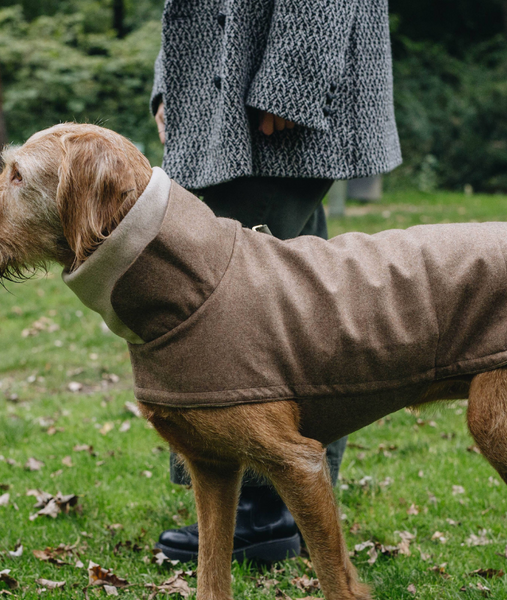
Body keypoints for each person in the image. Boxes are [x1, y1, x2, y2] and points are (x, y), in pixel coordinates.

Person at [150, 0, 401, 563]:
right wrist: (171, 84)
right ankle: (285, 495)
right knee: (297, 292)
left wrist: (294, 79)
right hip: (224, 90)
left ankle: (264, 510)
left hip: (270, 90)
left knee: (246, 303)